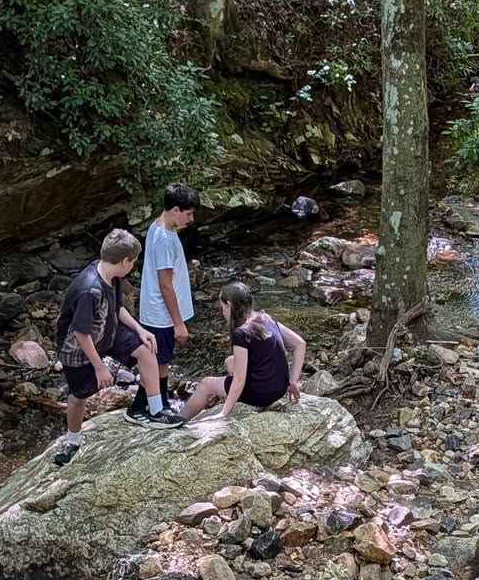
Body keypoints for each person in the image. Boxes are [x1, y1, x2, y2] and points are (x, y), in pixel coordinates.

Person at [52, 228, 179, 466]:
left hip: (107, 329)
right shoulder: (89, 289)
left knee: (145, 347)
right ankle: (72, 442)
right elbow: (81, 332)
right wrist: (100, 367)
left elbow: (117, 308)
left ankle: (153, 410)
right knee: (78, 397)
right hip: (80, 348)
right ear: (125, 261)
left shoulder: (112, 274)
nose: (133, 266)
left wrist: (140, 329)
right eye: (134, 262)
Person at [178, 281, 306, 422]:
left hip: (261, 394)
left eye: (222, 307)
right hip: (279, 388)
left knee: (206, 384)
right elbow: (300, 344)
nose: (222, 312)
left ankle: (178, 420)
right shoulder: (265, 318)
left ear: (229, 305)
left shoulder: (241, 333)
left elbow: (239, 379)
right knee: (230, 361)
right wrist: (292, 381)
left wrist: (224, 412)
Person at [132, 182, 197, 418]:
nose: (191, 219)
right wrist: (178, 322)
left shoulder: (158, 227)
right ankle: (143, 407)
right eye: (188, 214)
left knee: (161, 361)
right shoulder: (165, 240)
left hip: (157, 311)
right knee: (157, 362)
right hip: (161, 314)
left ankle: (158, 404)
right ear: (176, 210)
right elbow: (166, 285)